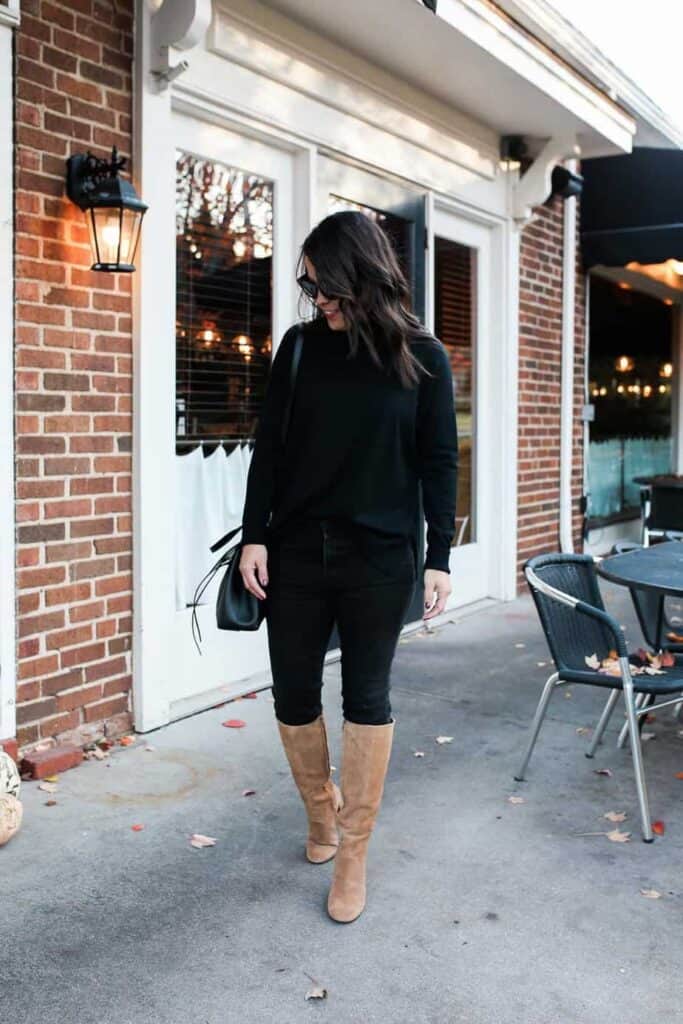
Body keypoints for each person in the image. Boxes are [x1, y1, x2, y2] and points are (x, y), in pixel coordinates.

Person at [239, 210, 458, 924]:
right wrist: (254, 537)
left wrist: (438, 558)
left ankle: (354, 852)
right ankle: (320, 814)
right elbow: (268, 449)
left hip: (380, 559)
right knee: (292, 696)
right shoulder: (299, 349)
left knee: (366, 700)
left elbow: (437, 463)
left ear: (357, 274)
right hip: (297, 552)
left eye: (322, 282)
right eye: (307, 285)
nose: (315, 296)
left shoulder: (423, 357)